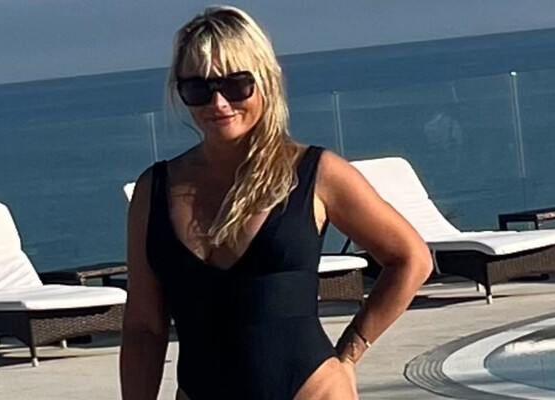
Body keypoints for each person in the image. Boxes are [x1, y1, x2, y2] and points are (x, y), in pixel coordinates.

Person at [120, 5, 432, 400]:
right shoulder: (154, 190)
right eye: (198, 88)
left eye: (236, 85)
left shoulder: (317, 174)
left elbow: (412, 258)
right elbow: (144, 326)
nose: (218, 103)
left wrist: (350, 352)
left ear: (266, 79)